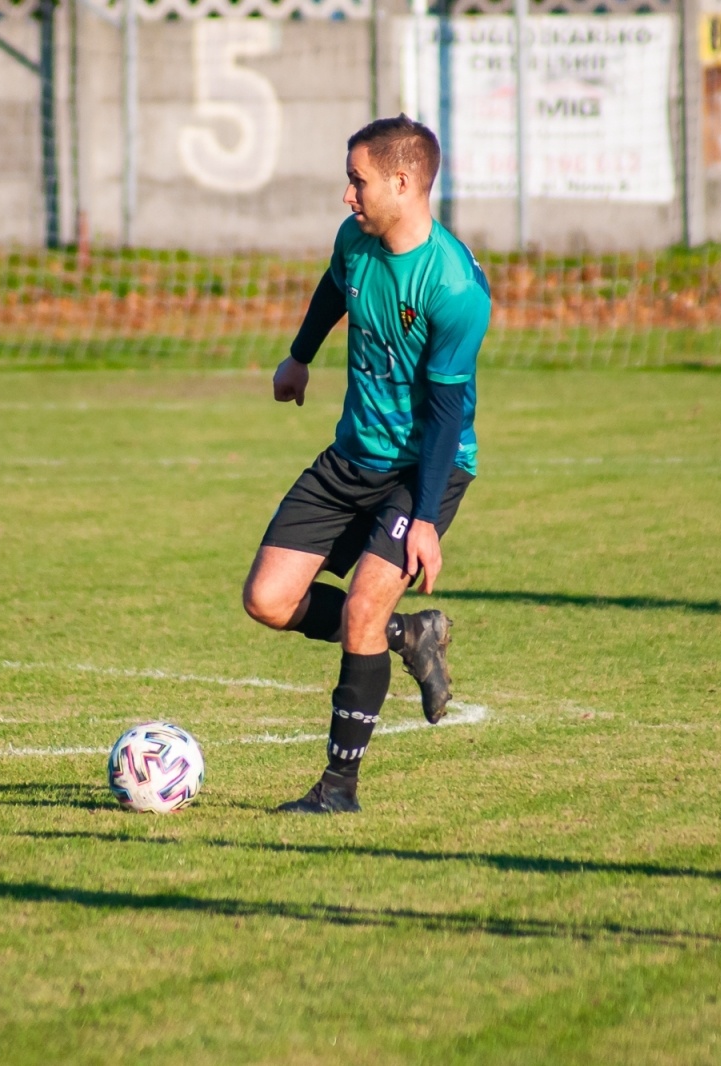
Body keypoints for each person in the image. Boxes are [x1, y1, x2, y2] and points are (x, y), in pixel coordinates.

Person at [241, 115, 490, 814]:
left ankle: (337, 790)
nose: (347, 195)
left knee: (359, 612)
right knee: (267, 600)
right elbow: (333, 288)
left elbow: (445, 414)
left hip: (423, 470)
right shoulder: (356, 240)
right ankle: (412, 636)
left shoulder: (455, 288)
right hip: (351, 456)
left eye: (359, 180)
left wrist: (426, 519)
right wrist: (300, 355)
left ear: (403, 183)